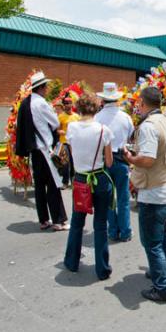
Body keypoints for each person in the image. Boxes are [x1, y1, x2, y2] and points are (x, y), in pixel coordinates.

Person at [124, 87, 166, 304]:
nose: (137, 106)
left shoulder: (148, 126)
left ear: (143, 103)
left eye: (138, 103)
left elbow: (146, 160)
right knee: (161, 236)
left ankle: (163, 288)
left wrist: (130, 157)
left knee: (152, 242)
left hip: (153, 192)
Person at [64, 92, 115, 281]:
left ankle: (71, 262)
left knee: (77, 222)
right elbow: (109, 162)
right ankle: (102, 269)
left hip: (80, 178)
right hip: (99, 178)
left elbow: (71, 152)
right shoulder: (104, 130)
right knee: (100, 225)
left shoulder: (71, 128)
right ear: (97, 109)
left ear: (79, 108)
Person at [15, 71, 69, 231]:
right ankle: (58, 220)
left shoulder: (25, 104)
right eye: (46, 86)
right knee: (53, 184)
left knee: (39, 186)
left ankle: (43, 220)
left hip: (34, 150)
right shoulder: (41, 103)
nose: (47, 89)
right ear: (41, 87)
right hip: (45, 149)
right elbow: (54, 122)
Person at [95, 82, 135, 242]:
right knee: (123, 198)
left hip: (104, 161)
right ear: (117, 99)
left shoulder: (97, 118)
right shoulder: (125, 117)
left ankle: (112, 230)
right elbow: (131, 136)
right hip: (122, 159)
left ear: (103, 100)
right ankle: (125, 231)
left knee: (108, 198)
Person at [56, 96, 80, 188]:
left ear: (72, 104)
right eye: (66, 103)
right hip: (64, 142)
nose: (68, 105)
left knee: (74, 162)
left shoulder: (77, 116)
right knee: (65, 163)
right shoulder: (61, 116)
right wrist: (61, 132)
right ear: (64, 105)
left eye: (69, 103)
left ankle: (74, 181)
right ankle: (65, 182)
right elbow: (57, 130)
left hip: (74, 143)